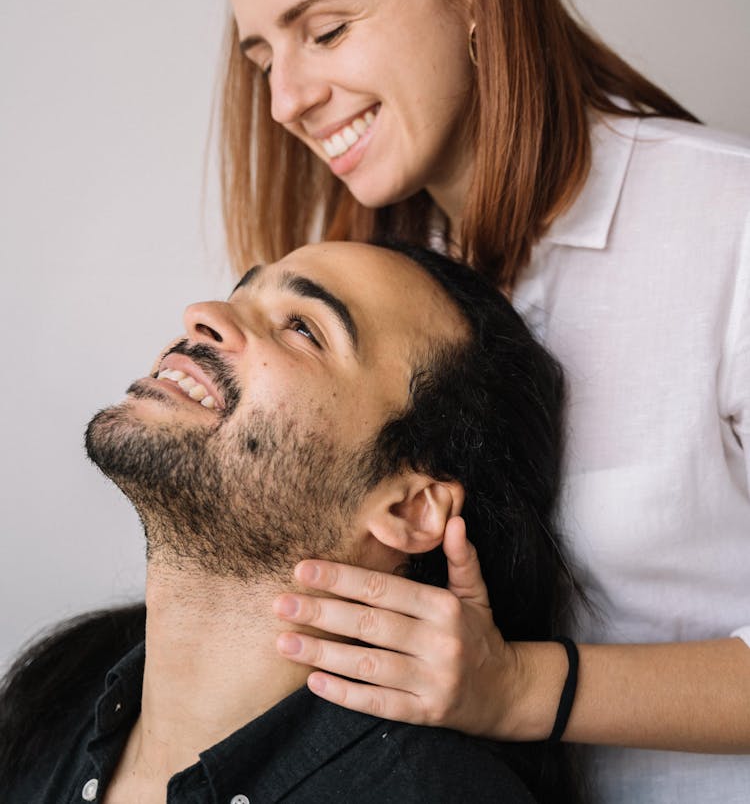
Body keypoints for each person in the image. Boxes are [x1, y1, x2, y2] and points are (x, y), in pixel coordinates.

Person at [207, 0, 750, 804]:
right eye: (263, 57)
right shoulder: (383, 289)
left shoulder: (728, 224)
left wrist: (520, 691)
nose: (285, 100)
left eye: (324, 30)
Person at [0, 241, 581, 804]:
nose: (202, 316)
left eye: (303, 327)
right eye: (239, 294)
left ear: (407, 508)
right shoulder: (50, 700)